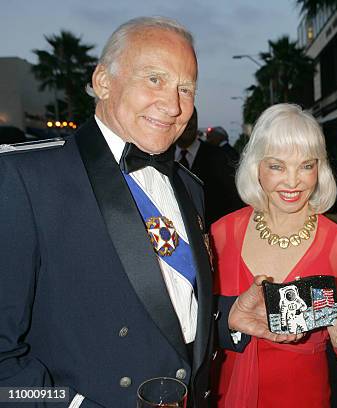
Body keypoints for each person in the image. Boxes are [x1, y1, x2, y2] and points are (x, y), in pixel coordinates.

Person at [0, 17, 296, 408]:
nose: (174, 106)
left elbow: (164, 308)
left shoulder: (189, 185)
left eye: (185, 88)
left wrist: (227, 318)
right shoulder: (28, 178)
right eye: (154, 79)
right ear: (104, 81)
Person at [211, 103, 337, 407]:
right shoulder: (221, 234)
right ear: (256, 166)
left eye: (306, 165)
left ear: (319, 169)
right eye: (277, 166)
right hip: (223, 393)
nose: (293, 182)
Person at [176, 109, 244, 228]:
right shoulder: (162, 158)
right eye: (183, 117)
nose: (188, 122)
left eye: (192, 118)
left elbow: (234, 202)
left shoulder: (219, 158)